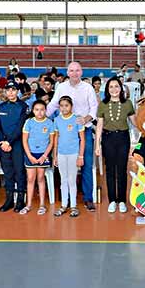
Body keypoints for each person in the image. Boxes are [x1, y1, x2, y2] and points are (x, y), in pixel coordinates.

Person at [46, 62, 98, 211]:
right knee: (63, 168)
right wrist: (41, 116)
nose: (74, 73)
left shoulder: (87, 88)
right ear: (67, 73)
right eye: (71, 71)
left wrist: (86, 118)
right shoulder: (61, 87)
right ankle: (66, 200)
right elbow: (54, 104)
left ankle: (88, 198)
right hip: (65, 133)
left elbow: (94, 107)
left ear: (81, 72)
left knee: (86, 163)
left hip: (83, 130)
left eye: (77, 70)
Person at [95, 77, 136, 214]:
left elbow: (134, 122)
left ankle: (122, 200)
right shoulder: (102, 104)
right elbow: (99, 125)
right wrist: (97, 145)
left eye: (116, 86)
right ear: (107, 89)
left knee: (122, 170)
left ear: (121, 88)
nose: (114, 89)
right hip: (108, 138)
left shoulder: (128, 103)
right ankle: (112, 200)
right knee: (110, 170)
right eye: (111, 87)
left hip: (123, 138)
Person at [0, 81, 28, 212]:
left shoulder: (23, 106)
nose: (11, 92)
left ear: (18, 91)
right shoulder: (1, 107)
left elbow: (21, 126)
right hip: (3, 145)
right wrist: (3, 141)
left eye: (13, 90)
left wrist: (10, 141)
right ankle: (9, 199)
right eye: (8, 90)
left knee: (19, 172)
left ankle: (20, 200)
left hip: (17, 144)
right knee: (7, 172)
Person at [21, 99, 56, 216]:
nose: (39, 112)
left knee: (41, 178)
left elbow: (51, 142)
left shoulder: (50, 123)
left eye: (42, 110)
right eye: (37, 110)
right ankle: (28, 205)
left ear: (46, 110)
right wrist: (29, 155)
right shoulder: (29, 122)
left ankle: (42, 205)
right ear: (33, 111)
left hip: (43, 154)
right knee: (30, 179)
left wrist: (44, 155)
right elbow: (24, 141)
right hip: (30, 154)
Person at [53, 95, 84, 218]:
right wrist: (55, 156)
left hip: (73, 153)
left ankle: (74, 206)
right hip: (61, 153)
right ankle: (64, 205)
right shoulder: (57, 120)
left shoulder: (77, 119)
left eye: (66, 105)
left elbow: (82, 139)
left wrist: (80, 156)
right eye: (61, 106)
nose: (64, 108)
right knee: (63, 180)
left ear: (71, 106)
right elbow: (56, 138)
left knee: (72, 180)